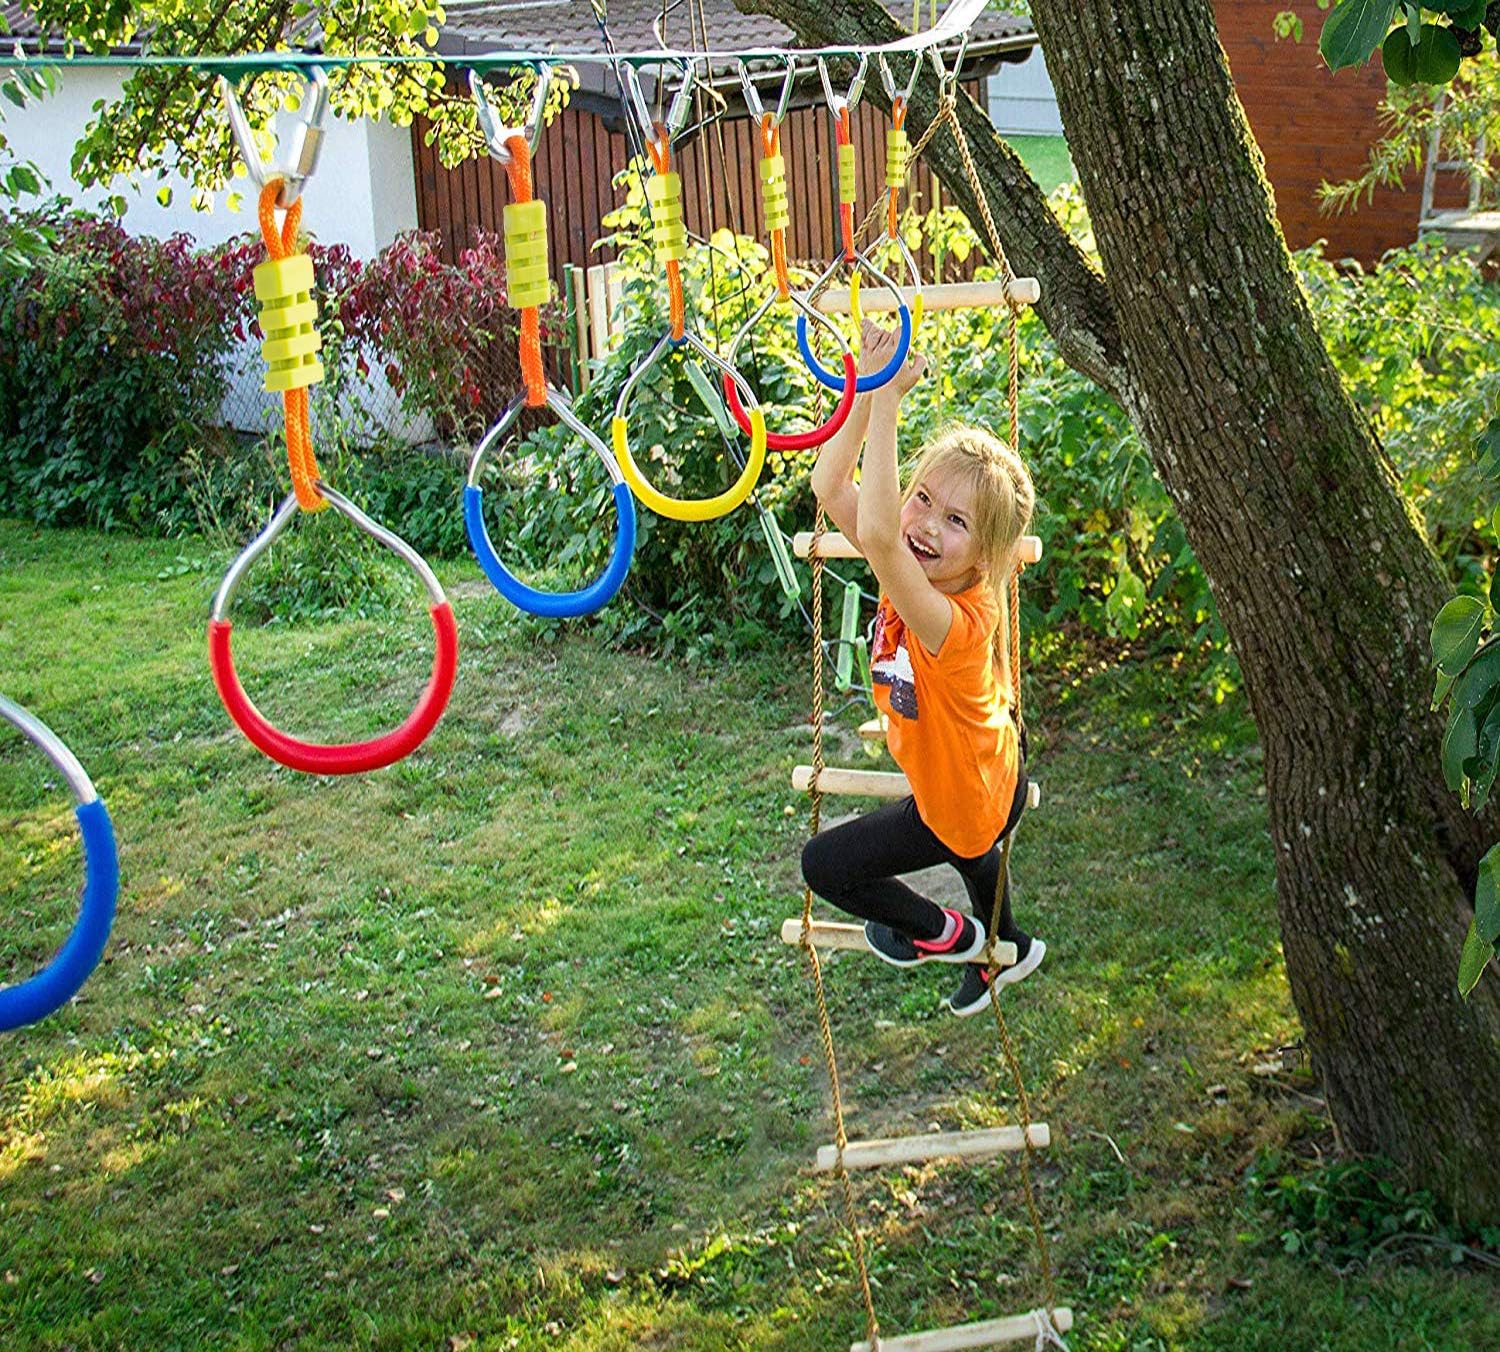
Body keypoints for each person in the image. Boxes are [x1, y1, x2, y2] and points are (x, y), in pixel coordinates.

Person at [800, 320, 1043, 1016]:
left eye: (957, 522)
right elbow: (830, 482)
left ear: (986, 560)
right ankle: (1013, 946)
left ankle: (949, 935)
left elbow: (877, 530)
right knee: (982, 834)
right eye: (924, 500)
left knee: (826, 867)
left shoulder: (955, 621)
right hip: (988, 767)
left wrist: (889, 396)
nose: (928, 525)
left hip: (958, 806)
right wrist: (866, 393)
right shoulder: (917, 572)